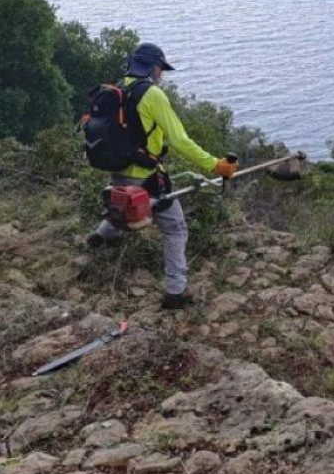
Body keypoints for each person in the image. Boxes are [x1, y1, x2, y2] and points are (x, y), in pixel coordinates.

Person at [86, 42, 237, 309]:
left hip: (117, 170)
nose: (162, 74)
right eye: (161, 69)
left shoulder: (120, 88)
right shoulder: (152, 94)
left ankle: (100, 237)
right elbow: (180, 140)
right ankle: (176, 291)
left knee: (122, 207)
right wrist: (215, 165)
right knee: (176, 228)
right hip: (146, 176)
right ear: (154, 67)